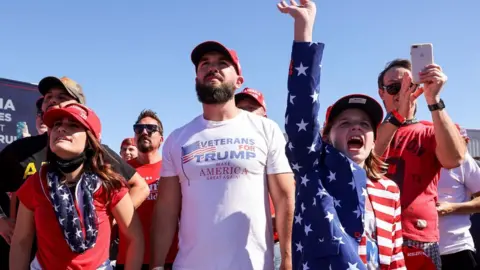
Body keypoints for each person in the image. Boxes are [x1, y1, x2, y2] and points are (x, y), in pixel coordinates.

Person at [278, 0, 405, 269]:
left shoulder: (390, 190)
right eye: (345, 122)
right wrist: (304, 32)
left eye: (365, 124)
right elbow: (302, 114)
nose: (356, 127)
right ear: (326, 136)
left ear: (374, 138)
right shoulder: (313, 171)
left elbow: (395, 257)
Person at [150, 39, 295, 269]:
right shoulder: (177, 139)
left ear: (238, 81)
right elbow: (166, 208)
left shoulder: (266, 130)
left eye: (222, 63)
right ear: (197, 79)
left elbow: (285, 197)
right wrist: (157, 265)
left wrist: (287, 260)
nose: (212, 67)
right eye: (204, 63)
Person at [0, 76, 149, 269]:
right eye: (56, 124)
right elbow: (21, 243)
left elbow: (135, 231)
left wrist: (105, 219)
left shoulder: (107, 179)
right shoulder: (35, 181)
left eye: (72, 123)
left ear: (90, 137)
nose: (61, 128)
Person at [374, 38, 466, 270]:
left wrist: (433, 99)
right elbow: (366, 162)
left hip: (418, 237)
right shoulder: (366, 131)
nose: (404, 93)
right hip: (373, 233)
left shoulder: (431, 129)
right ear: (381, 93)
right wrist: (397, 117)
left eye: (411, 85)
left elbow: (453, 159)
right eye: (395, 87)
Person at [116, 110, 178, 270]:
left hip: (168, 258)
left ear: (161, 139)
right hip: (129, 259)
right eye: (138, 128)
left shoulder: (171, 169)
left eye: (151, 128)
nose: (144, 132)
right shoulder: (121, 171)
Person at [235, 87, 281, 269]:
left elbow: (295, 195)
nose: (246, 114)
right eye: (241, 108)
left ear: (265, 115)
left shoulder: (282, 148)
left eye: (251, 108)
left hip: (274, 245)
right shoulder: (222, 152)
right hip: (236, 245)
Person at [437, 129, 480, 270]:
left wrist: (452, 208)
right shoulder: (416, 157)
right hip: (417, 247)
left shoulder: (464, 161)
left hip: (456, 248)